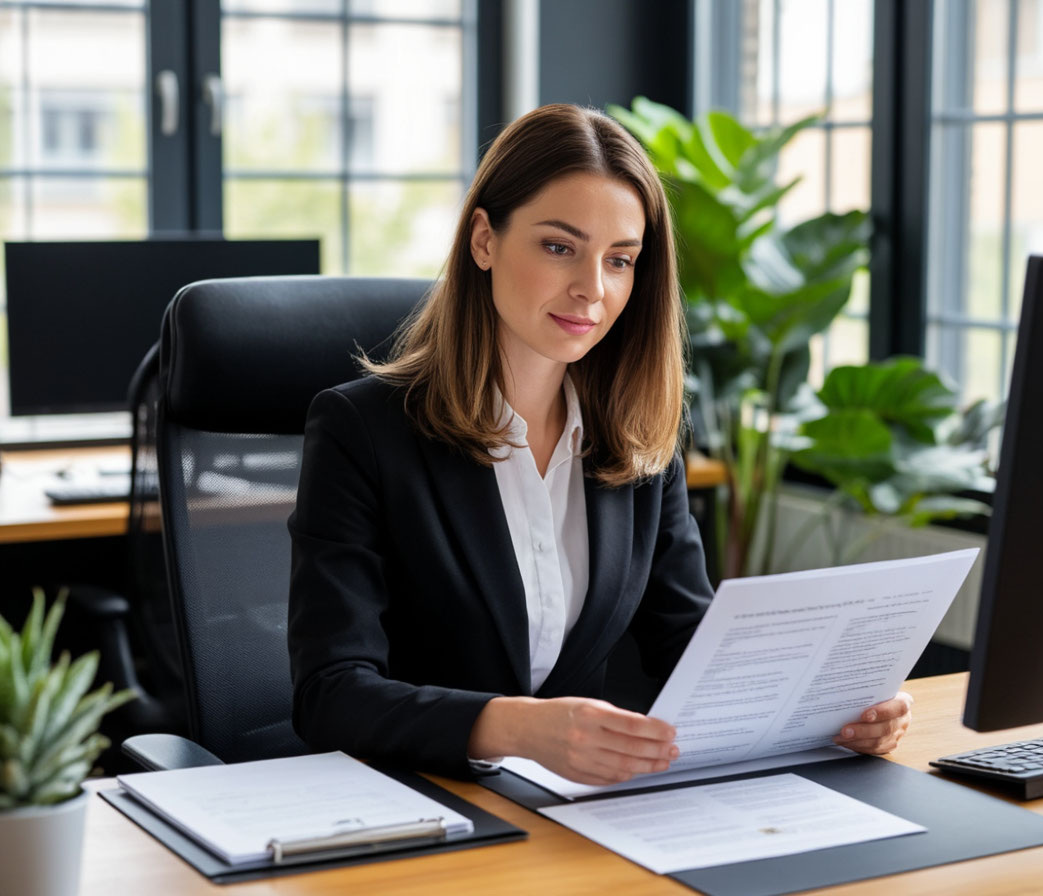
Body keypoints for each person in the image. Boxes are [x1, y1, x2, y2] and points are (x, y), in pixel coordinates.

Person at [287, 103, 912, 785]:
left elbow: (686, 640)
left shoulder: (640, 434)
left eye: (620, 260)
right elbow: (331, 694)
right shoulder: (363, 431)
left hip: (577, 812)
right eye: (560, 247)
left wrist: (830, 706)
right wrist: (520, 726)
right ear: (485, 241)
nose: (592, 288)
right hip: (420, 806)